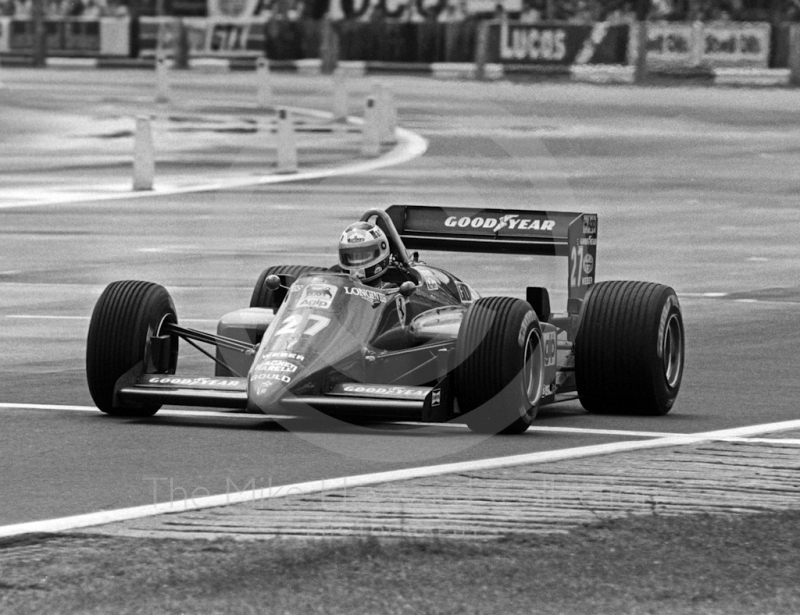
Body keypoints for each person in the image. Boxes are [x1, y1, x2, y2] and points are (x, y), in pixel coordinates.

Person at [338, 221, 393, 288]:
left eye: (364, 255)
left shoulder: (392, 291)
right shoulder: (335, 279)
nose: (357, 262)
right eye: (351, 256)